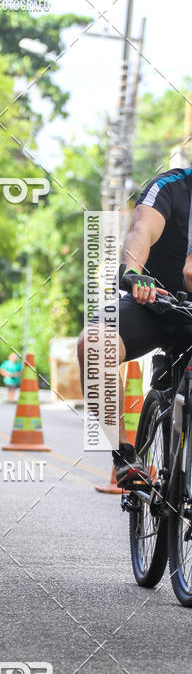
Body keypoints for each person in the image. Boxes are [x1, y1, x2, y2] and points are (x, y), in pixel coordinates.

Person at [77, 165, 192, 489]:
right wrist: (134, 270)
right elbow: (142, 230)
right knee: (95, 344)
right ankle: (124, 454)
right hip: (157, 303)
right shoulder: (171, 186)